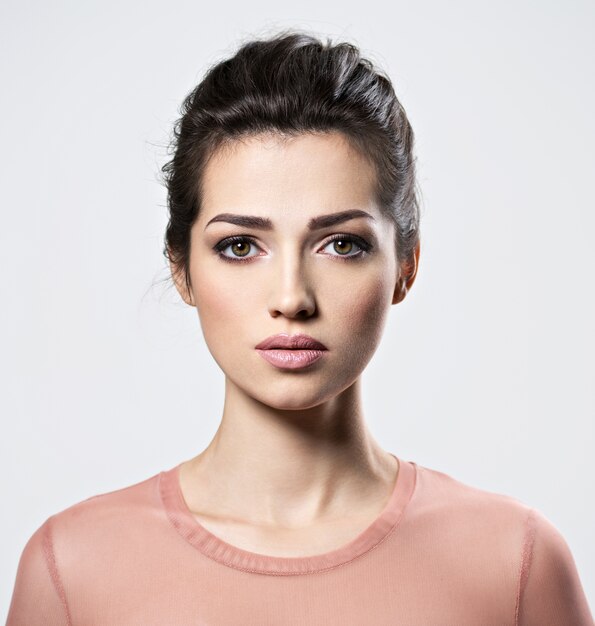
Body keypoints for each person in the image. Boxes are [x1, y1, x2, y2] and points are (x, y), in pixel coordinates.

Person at [6, 30, 592, 626]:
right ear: (181, 268)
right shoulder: (74, 570)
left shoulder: (515, 564)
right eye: (240, 246)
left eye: (341, 244)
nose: (291, 297)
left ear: (405, 266)